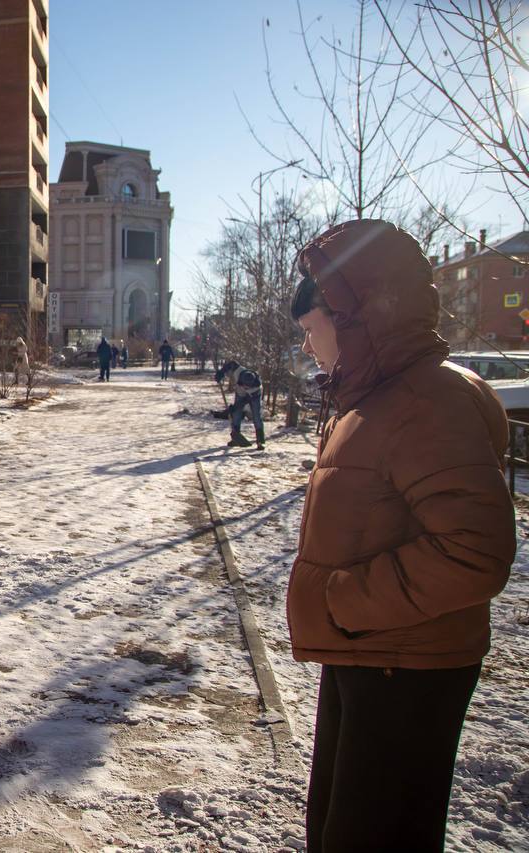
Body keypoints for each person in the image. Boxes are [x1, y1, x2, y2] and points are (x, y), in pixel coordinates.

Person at [288, 220, 514, 852]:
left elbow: (475, 551)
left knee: (375, 835)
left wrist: (344, 601)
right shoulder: (381, 396)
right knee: (342, 828)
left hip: (402, 662)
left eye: (312, 329)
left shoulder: (425, 401)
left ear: (355, 314)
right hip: (372, 653)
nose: (309, 347)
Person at [214, 358, 264, 449]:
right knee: (236, 414)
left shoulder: (256, 387)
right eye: (244, 385)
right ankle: (236, 438)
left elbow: (244, 403)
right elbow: (231, 364)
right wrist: (221, 372)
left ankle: (260, 441)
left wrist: (235, 407)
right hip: (240, 394)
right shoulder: (239, 371)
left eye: (246, 386)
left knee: (256, 416)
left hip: (254, 397)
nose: (245, 387)